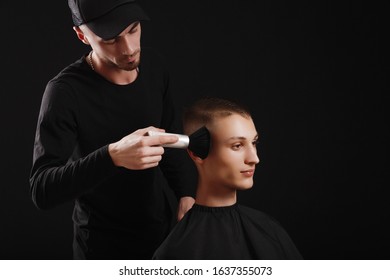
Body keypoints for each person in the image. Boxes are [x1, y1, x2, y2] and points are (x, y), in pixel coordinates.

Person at [29, 0, 196, 259]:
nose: (129, 48)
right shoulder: (64, 92)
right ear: (82, 35)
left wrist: (186, 194)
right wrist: (112, 156)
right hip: (99, 250)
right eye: (111, 39)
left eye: (133, 29)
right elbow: (42, 190)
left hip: (160, 240)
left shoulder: (155, 68)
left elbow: (169, 138)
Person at [152, 96, 303, 259]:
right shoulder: (176, 252)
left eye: (254, 143)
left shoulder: (269, 230)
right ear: (197, 153)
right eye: (237, 146)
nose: (254, 158)